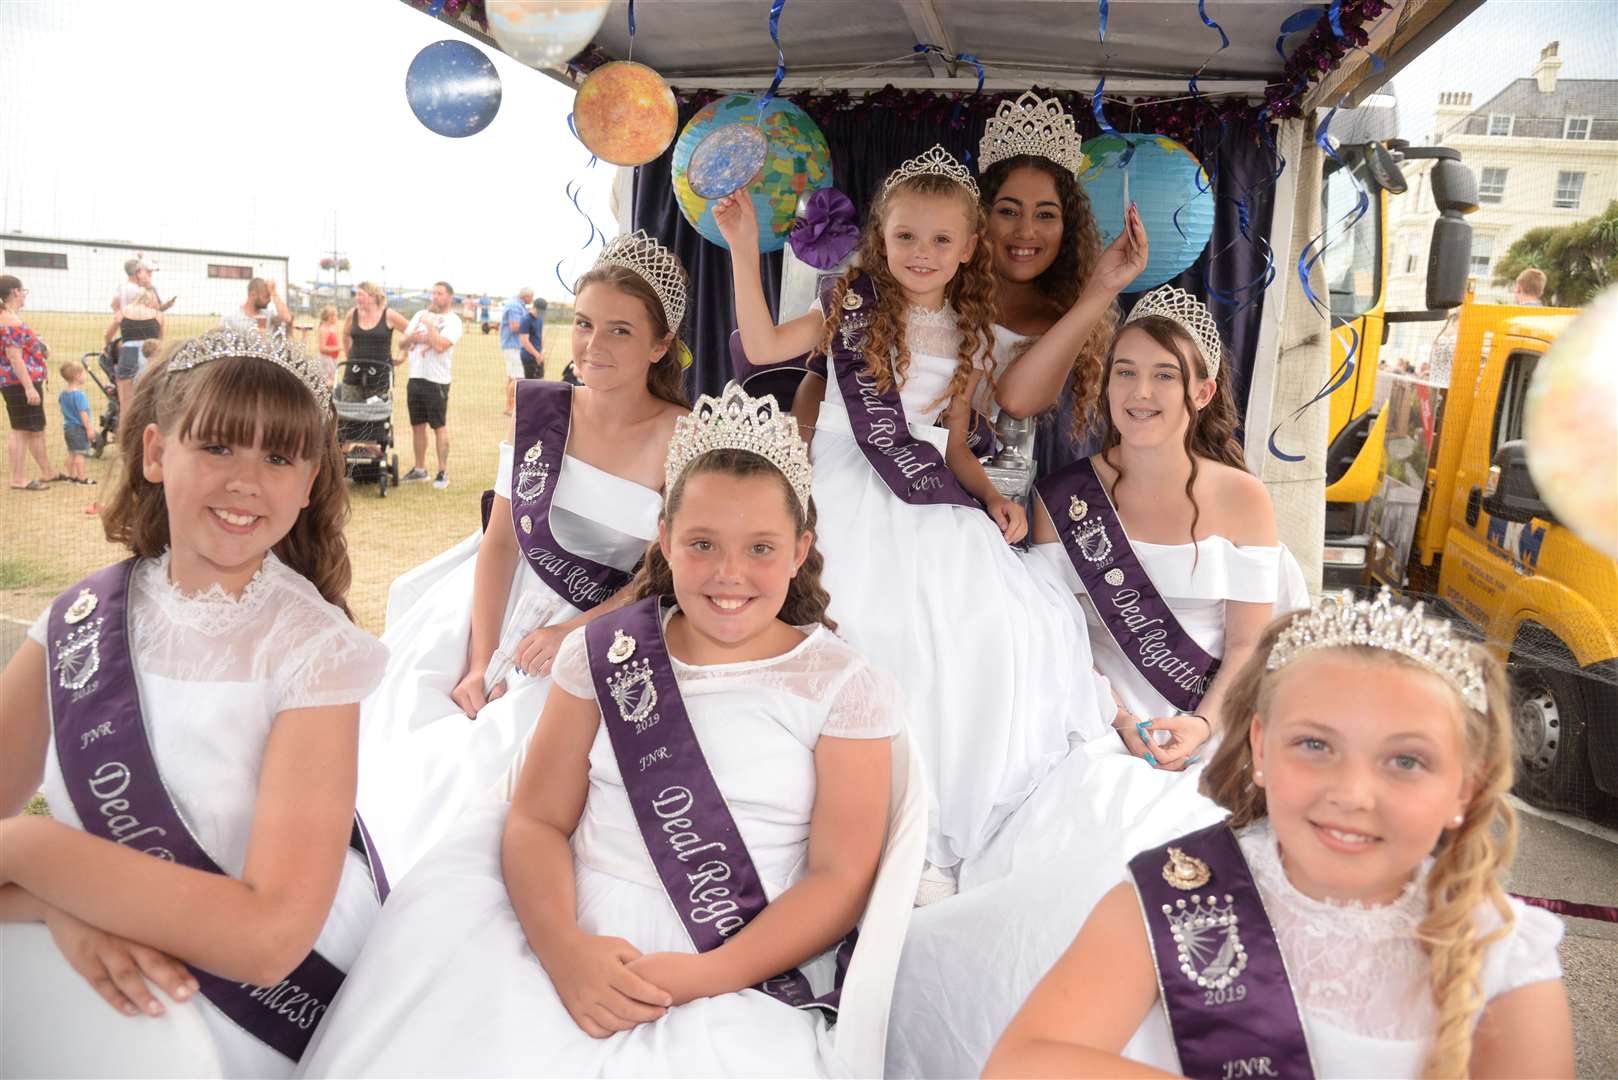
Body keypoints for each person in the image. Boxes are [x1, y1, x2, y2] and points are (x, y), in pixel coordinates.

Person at [302, 382, 907, 1078]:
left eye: (762, 548)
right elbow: (535, 820)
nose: (730, 574)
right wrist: (563, 950)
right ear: (665, 541)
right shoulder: (601, 654)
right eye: (702, 544)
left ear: (801, 550)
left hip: (734, 966)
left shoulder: (841, 685)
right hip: (561, 923)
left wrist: (697, 978)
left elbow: (839, 878)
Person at [882, 290, 1315, 1079]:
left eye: (1162, 376)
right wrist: (1117, 721)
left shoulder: (1243, 499)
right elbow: (1060, 638)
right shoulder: (1065, 499)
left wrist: (1205, 729)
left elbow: (1253, 644)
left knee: (1181, 854)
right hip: (1091, 727)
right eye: (1124, 373)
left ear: (1202, 392)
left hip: (1208, 732)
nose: (1140, 394)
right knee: (1086, 853)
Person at [714, 146, 1113, 893]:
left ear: (970, 250)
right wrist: (742, 247)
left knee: (982, 628)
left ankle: (923, 810)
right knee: (859, 620)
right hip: (837, 479)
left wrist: (991, 497)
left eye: (940, 241)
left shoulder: (973, 334)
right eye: (905, 238)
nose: (921, 254)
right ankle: (817, 809)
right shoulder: (848, 304)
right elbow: (765, 348)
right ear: (880, 239)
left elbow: (955, 444)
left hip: (927, 492)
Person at [0, 328, 388, 1077]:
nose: (247, 481)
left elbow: (271, 938)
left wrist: (29, 851)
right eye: (217, 447)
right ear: (154, 452)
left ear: (308, 482)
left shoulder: (315, 650)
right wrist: (58, 906)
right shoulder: (76, 623)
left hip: (251, 1005)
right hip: (82, 962)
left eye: (278, 457)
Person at [984, 590, 1574, 1080]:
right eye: (1315, 745)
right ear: (1261, 748)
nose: (1351, 793)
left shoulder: (1503, 955)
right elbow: (1021, 1064)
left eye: (1406, 761)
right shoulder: (1172, 899)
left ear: (1465, 788)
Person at [355, 232, 690, 878]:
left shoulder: (684, 435)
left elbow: (666, 569)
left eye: (620, 331)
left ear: (659, 345)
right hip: (497, 601)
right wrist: (478, 662)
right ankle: (377, 872)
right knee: (422, 726)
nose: (593, 345)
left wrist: (574, 630)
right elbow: (502, 542)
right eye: (586, 324)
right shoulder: (539, 411)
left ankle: (452, 884)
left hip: (607, 622)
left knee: (510, 754)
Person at [974, 92, 1149, 435]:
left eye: (1045, 215)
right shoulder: (935, 293)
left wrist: (1102, 289)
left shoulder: (1068, 325)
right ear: (980, 217)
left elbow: (1017, 401)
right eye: (1008, 211)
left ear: (1067, 229)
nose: (1026, 231)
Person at [398, 281, 462, 489]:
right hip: (415, 377)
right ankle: (419, 469)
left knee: (438, 426)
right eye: (433, 293)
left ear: (449, 297)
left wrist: (431, 326)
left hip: (436, 381)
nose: (435, 297)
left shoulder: (453, 321)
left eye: (440, 293)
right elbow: (402, 343)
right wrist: (412, 336)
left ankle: (442, 472)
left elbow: (441, 346)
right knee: (417, 426)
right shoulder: (419, 315)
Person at [1, 275, 60, 491]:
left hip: (17, 380)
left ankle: (48, 471)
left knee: (36, 428)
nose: (25, 294)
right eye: (23, 290)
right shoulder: (11, 321)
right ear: (15, 292)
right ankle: (18, 478)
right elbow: (14, 357)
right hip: (19, 382)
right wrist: (27, 387)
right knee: (21, 429)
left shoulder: (7, 317)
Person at [106, 286, 165, 420]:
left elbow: (108, 335)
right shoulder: (158, 315)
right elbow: (161, 341)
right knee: (151, 401)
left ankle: (125, 437)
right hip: (150, 356)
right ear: (150, 301)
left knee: (126, 406)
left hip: (128, 354)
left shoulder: (123, 312)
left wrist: (108, 346)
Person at [57, 360, 94, 485]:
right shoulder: (79, 395)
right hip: (79, 429)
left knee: (71, 453)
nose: (85, 376)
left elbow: (63, 409)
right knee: (80, 455)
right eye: (83, 373)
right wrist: (89, 429)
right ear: (78, 376)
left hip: (68, 428)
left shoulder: (63, 394)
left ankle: (71, 476)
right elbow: (83, 414)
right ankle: (82, 478)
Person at [500, 287, 535, 415]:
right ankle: (511, 408)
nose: (532, 299)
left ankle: (510, 406)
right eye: (532, 296)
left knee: (512, 377)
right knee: (518, 377)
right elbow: (514, 326)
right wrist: (530, 323)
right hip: (514, 345)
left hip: (512, 345)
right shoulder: (515, 306)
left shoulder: (517, 305)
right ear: (526, 296)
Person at [220, 278, 291, 337]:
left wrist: (274, 292)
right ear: (253, 295)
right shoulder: (230, 318)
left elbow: (287, 318)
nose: (269, 300)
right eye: (266, 297)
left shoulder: (268, 315)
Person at [521, 295, 548, 380]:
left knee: (540, 380)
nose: (539, 314)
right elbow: (524, 341)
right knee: (531, 384)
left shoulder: (540, 319)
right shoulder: (526, 319)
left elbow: (541, 335)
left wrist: (542, 351)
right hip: (528, 357)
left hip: (539, 355)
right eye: (538, 311)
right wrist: (536, 354)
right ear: (533, 307)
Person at [315, 305, 342, 386]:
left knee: (333, 380)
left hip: (332, 359)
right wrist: (338, 348)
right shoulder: (323, 329)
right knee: (327, 382)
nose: (337, 317)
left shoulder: (331, 328)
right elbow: (322, 348)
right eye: (335, 315)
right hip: (326, 360)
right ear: (329, 317)